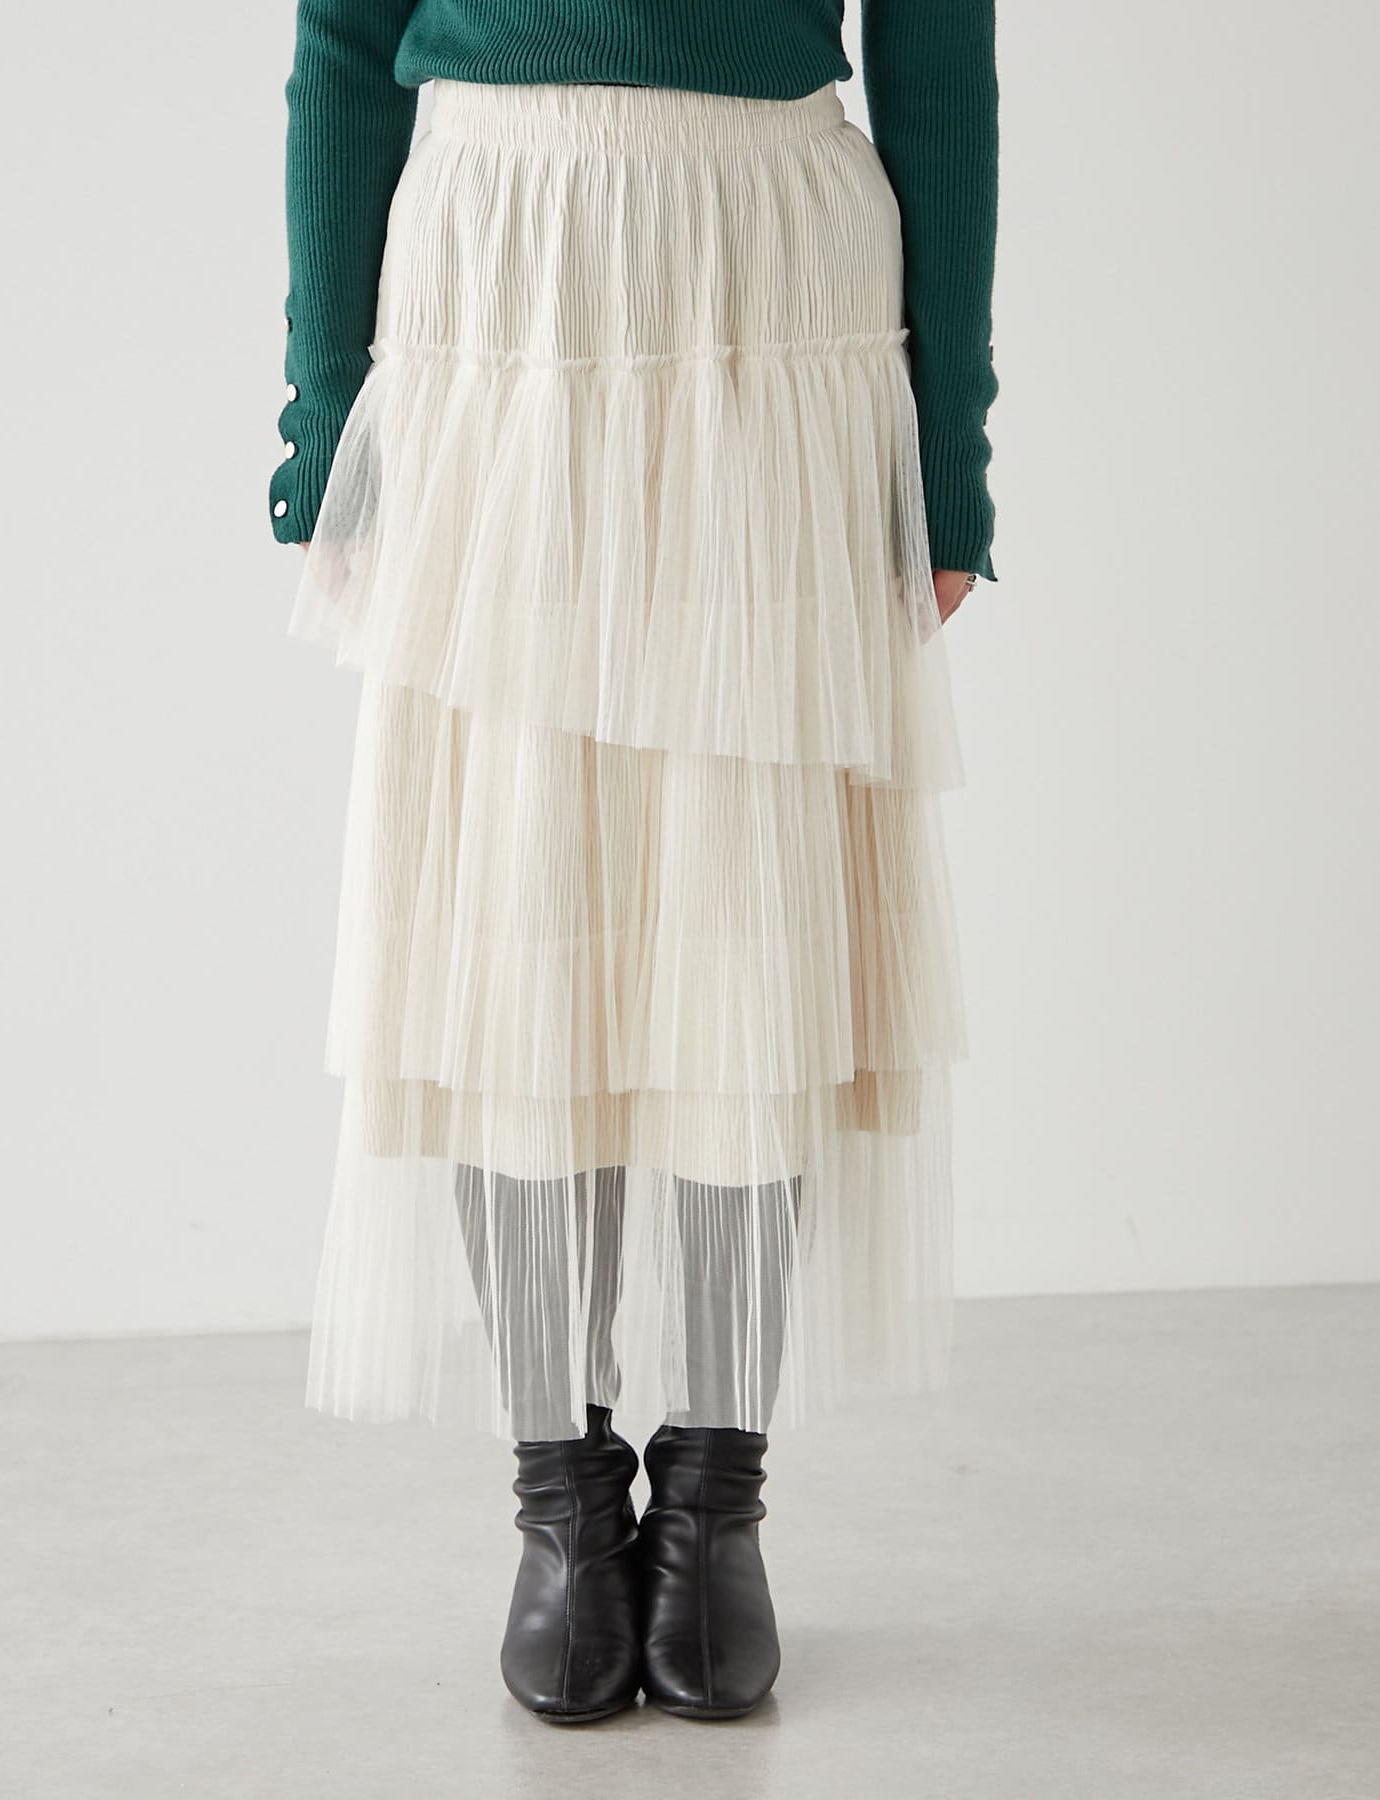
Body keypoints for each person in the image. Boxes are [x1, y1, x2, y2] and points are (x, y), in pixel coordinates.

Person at [268, 0, 997, 1725]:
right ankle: (563, 1502)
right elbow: (345, 39)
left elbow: (939, 49)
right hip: (499, 277)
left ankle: (718, 1499)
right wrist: (326, 408)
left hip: (774, 294)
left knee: (748, 904)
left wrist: (948, 455)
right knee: (515, 904)